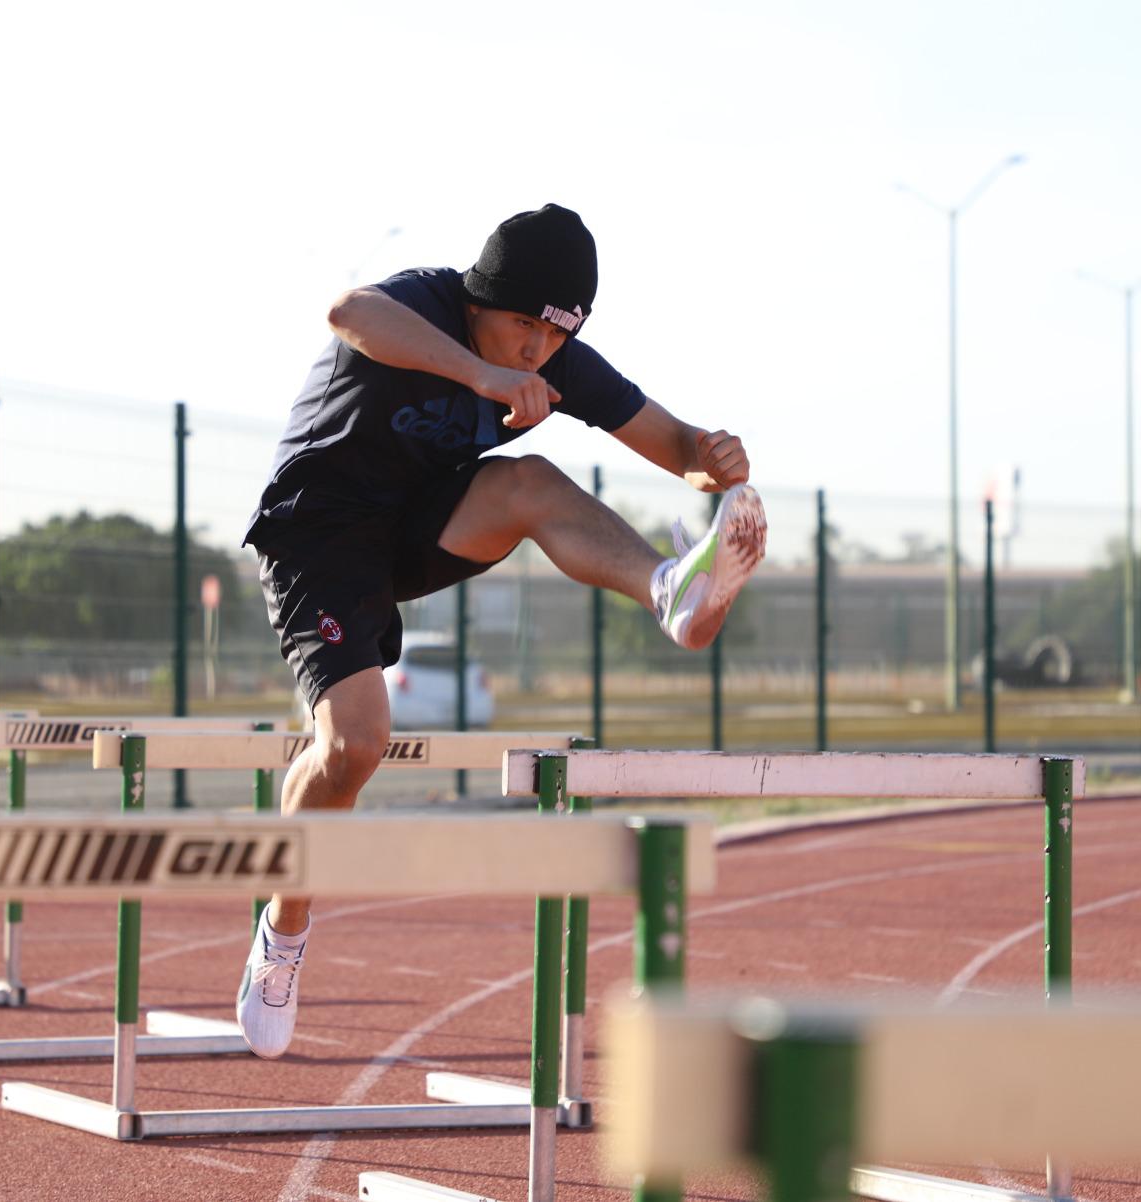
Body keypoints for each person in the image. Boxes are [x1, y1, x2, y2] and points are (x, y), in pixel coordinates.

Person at [235, 203, 766, 1058]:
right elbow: (347, 314)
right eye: (522, 327)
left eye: (555, 337)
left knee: (528, 481)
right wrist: (477, 379)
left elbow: (669, 440)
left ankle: (668, 590)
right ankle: (284, 925)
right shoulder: (425, 304)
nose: (534, 353)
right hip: (318, 533)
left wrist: (712, 455)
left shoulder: (558, 361)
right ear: (483, 299)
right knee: (355, 746)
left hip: (415, 532)